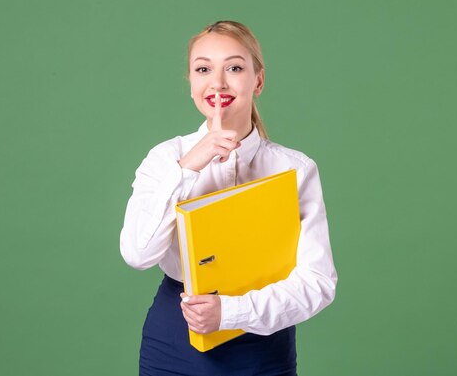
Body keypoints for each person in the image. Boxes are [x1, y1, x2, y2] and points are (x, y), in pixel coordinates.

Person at [119, 20, 338, 375]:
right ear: (191, 82)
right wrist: (189, 167)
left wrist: (230, 312)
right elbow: (138, 254)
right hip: (175, 339)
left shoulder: (294, 169)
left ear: (259, 81)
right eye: (203, 69)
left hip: (263, 345)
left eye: (234, 68)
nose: (217, 82)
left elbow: (318, 282)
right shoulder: (164, 159)